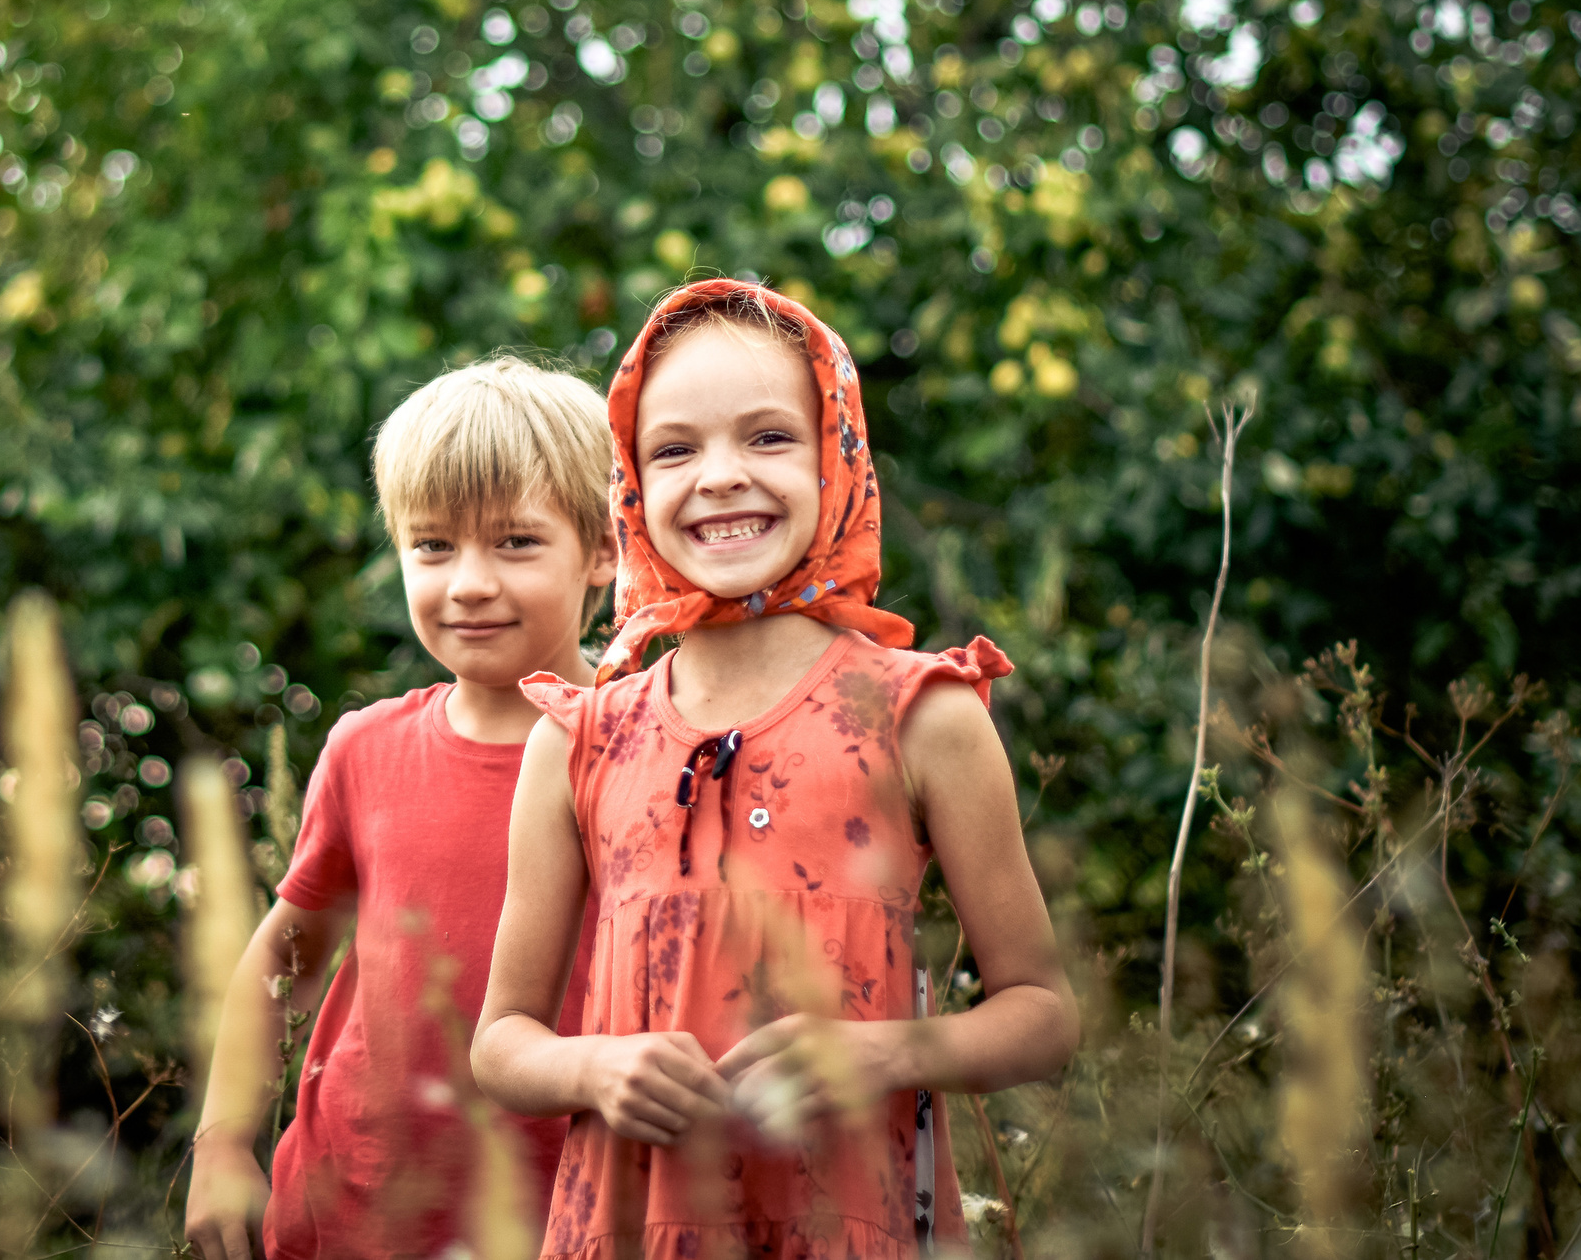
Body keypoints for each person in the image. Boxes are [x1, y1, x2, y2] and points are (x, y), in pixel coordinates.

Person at [469, 280, 1081, 1259]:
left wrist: (876, 1051)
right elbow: (502, 1044)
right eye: (673, 448)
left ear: (838, 455)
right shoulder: (578, 739)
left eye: (767, 438)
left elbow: (1042, 1017)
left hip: (846, 1225)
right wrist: (596, 1070)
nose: (718, 477)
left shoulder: (922, 715)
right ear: (629, 480)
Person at [186, 356, 617, 1260]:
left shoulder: (642, 748)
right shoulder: (365, 748)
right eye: (433, 545)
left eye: (514, 542)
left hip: (565, 1219)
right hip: (353, 1214)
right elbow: (283, 959)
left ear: (606, 551)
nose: (467, 581)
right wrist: (223, 1141)